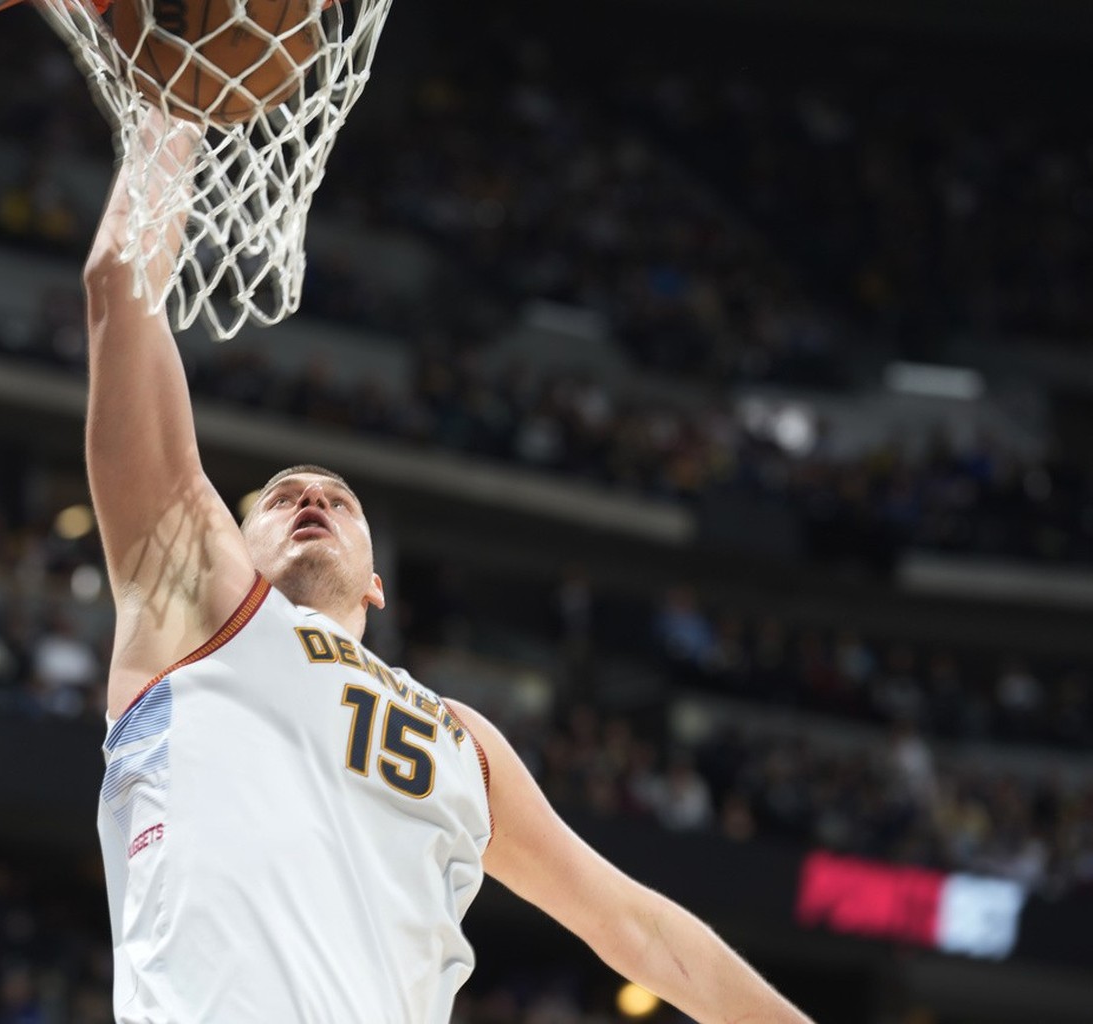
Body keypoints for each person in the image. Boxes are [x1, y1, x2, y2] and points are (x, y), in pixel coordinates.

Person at [82, 115, 813, 1023]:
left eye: (339, 501)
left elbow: (635, 929)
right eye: (280, 497)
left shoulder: (463, 739)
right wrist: (171, 113)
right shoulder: (191, 605)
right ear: (236, 547)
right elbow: (121, 287)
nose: (311, 498)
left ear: (376, 586)